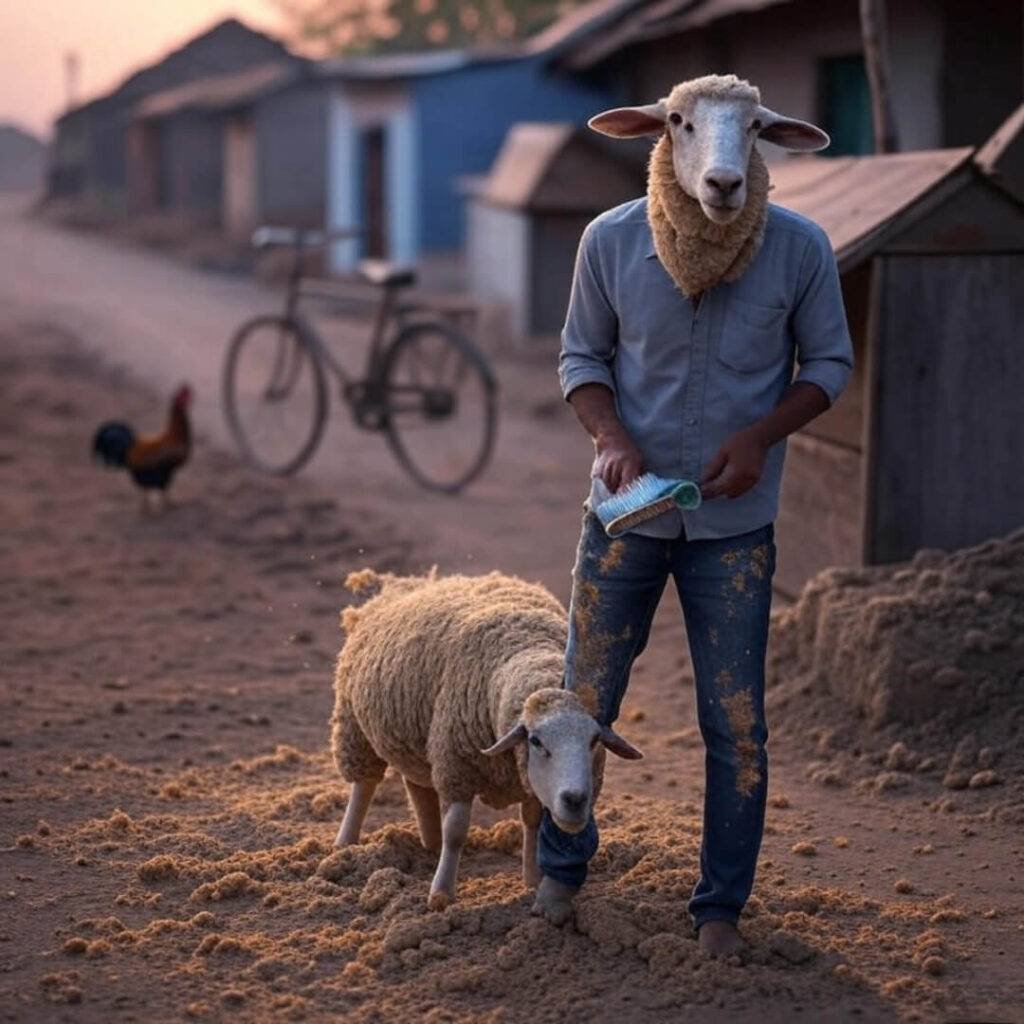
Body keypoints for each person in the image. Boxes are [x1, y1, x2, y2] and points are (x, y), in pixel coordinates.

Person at [533, 79, 854, 957]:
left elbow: (829, 360)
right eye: (686, 124)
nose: (716, 164)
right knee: (582, 702)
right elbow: (580, 355)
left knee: (736, 719)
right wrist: (608, 437)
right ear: (661, 134)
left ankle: (719, 909)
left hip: (735, 529)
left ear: (761, 143)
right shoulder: (609, 241)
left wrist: (761, 435)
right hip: (624, 519)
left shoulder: (798, 249)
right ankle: (560, 874)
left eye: (743, 134)